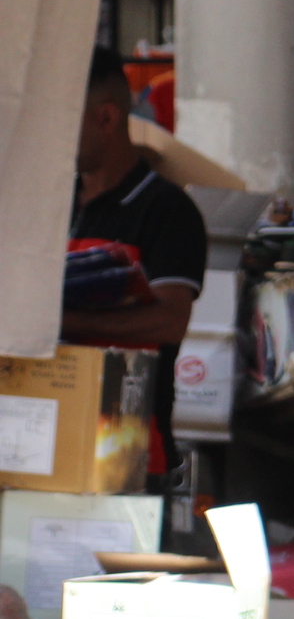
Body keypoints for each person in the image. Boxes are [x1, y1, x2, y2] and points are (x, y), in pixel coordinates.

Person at [66, 46, 208, 463]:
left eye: (63, 118)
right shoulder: (48, 205)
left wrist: (56, 321)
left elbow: (170, 320)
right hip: (41, 433)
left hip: (125, 448)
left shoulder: (167, 210)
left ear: (106, 117)